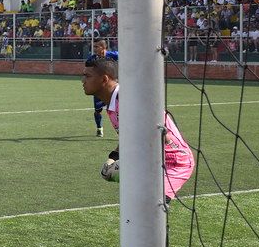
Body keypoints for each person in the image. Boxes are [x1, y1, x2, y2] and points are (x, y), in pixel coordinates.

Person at [80, 57, 195, 200]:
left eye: (87, 76)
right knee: (137, 206)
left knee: (150, 206)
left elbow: (159, 130)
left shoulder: (127, 98)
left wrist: (129, 167)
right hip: (150, 161)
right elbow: (129, 136)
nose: (83, 81)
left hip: (173, 162)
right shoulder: (114, 103)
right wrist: (113, 158)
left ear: (104, 79)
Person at [85, 38, 119, 138]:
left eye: (97, 46)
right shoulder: (91, 59)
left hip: (112, 88)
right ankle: (99, 128)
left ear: (103, 47)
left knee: (118, 109)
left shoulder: (114, 55)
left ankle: (122, 132)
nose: (94, 49)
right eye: (94, 46)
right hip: (100, 89)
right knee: (97, 110)